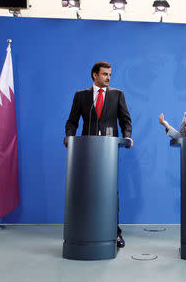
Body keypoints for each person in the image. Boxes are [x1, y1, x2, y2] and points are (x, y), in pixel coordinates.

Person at [65, 61, 133, 248]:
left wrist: (127, 137)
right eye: (105, 74)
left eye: (110, 74)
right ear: (94, 75)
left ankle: (114, 233)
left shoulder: (118, 94)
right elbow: (72, 121)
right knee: (88, 190)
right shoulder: (81, 96)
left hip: (109, 151)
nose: (108, 78)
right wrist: (69, 137)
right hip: (86, 151)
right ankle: (87, 228)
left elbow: (125, 120)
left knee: (110, 192)